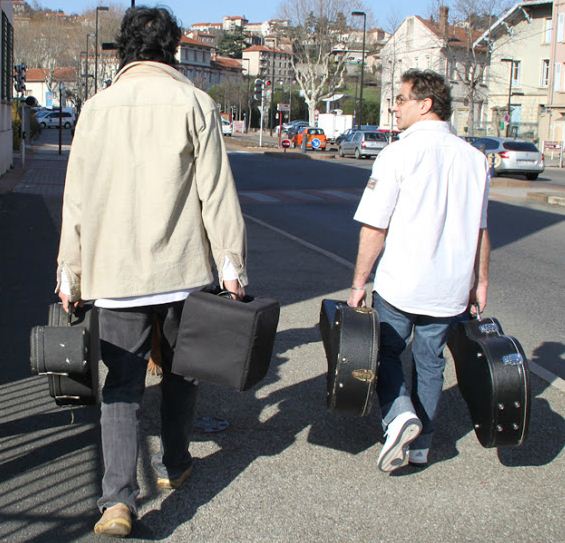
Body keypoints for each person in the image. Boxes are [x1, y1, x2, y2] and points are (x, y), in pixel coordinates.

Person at [56, 7, 247, 537]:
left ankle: (117, 501)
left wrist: (69, 272)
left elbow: (77, 199)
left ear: (123, 49)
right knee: (182, 368)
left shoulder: (95, 109)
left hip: (114, 274)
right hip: (182, 267)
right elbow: (216, 192)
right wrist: (231, 266)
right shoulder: (194, 101)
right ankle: (177, 461)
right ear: (175, 48)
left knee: (120, 382)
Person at [347, 69, 490, 473]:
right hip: (450, 288)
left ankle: (398, 416)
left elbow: (375, 226)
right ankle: (423, 445)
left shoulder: (397, 154)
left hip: (401, 284)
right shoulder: (476, 159)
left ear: (425, 104)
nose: (395, 106)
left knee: (388, 353)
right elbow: (481, 230)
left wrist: (359, 282)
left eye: (402, 99)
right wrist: (481, 281)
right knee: (431, 362)